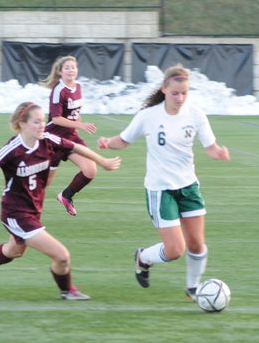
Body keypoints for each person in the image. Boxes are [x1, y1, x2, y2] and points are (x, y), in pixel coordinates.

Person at [0, 101, 121, 300]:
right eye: (36, 122)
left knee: (15, 250)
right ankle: (67, 291)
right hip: (15, 213)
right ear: (22, 124)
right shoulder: (13, 149)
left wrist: (102, 162)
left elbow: (76, 147)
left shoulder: (48, 140)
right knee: (62, 256)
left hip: (33, 209)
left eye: (43, 120)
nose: (42, 125)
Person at [96, 64, 231, 299]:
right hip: (160, 190)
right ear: (164, 89)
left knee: (197, 244)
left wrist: (218, 152)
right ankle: (143, 258)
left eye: (184, 93)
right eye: (175, 93)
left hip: (188, 187)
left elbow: (210, 147)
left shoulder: (196, 115)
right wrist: (108, 142)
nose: (180, 98)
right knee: (175, 250)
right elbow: (124, 140)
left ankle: (192, 288)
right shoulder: (149, 116)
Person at [40, 55, 98, 216]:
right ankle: (22, 205)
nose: (71, 70)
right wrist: (81, 125)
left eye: (73, 67)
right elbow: (56, 119)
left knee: (90, 170)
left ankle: (66, 196)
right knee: (45, 182)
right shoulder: (58, 91)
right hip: (54, 139)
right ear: (60, 72)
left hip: (71, 138)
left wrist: (77, 126)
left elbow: (75, 113)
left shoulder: (78, 87)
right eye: (67, 67)